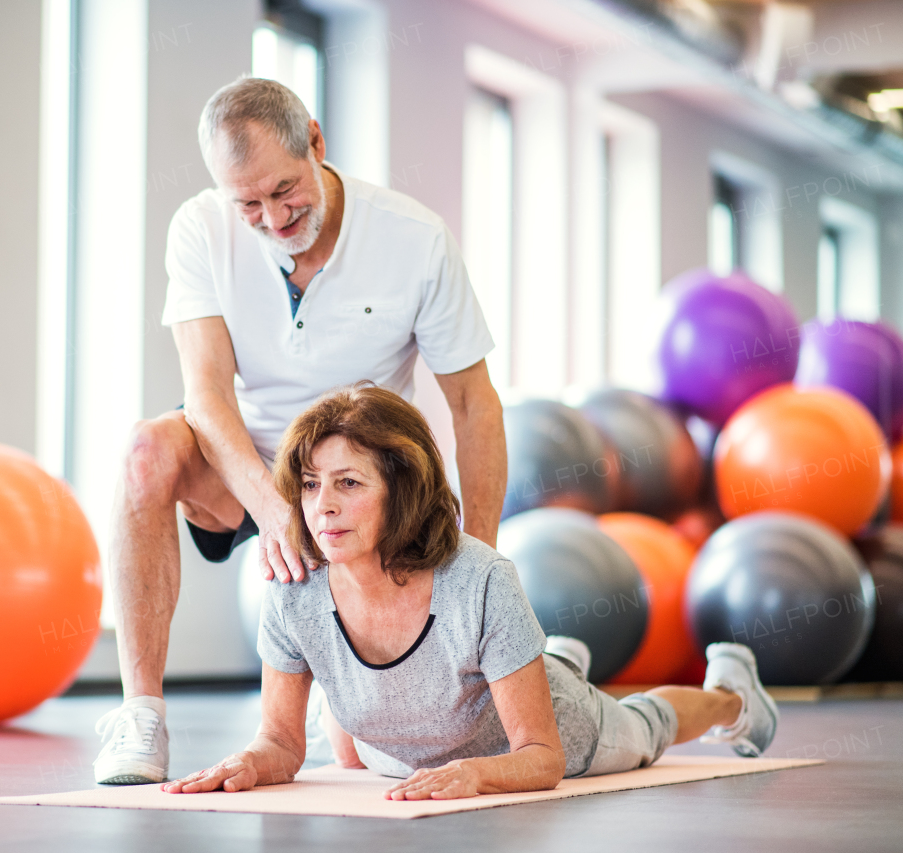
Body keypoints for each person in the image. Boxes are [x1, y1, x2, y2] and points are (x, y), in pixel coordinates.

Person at [93, 78, 506, 785]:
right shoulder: (200, 227)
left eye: (286, 191)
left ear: (316, 142)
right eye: (247, 203)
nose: (273, 218)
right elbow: (207, 395)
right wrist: (276, 510)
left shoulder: (414, 238)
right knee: (146, 450)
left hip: (359, 476)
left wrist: (480, 569)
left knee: (351, 750)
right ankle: (141, 713)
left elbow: (474, 406)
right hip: (243, 462)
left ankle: (347, 697)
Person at [162, 385, 779, 799]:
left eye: (348, 483)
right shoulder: (293, 587)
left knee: (647, 726)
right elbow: (281, 743)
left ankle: (730, 692)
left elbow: (542, 758)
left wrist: (474, 775)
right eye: (310, 483)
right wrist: (250, 762)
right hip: (417, 749)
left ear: (402, 488)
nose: (322, 507)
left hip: (555, 735)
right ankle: (548, 654)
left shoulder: (478, 577)